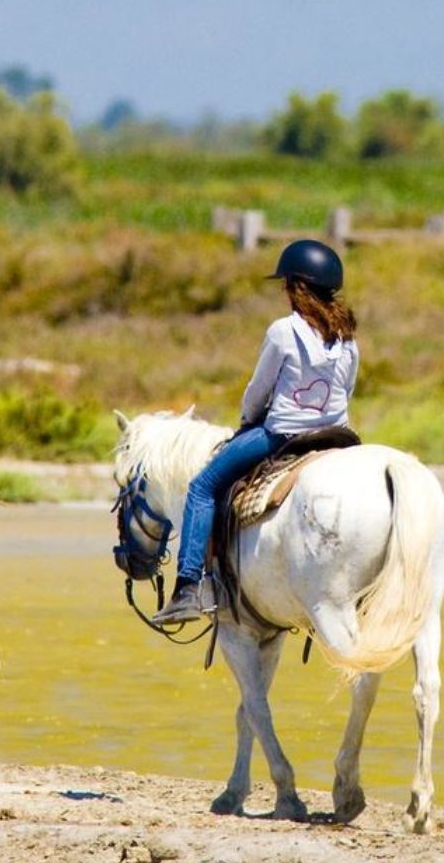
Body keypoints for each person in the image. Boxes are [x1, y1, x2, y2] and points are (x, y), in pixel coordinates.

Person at [148, 238, 360, 624]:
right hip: (338, 436)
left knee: (202, 486)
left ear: (294, 287)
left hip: (284, 435)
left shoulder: (284, 331)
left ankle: (188, 588)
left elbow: (259, 390)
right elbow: (347, 389)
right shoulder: (347, 337)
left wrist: (249, 419)